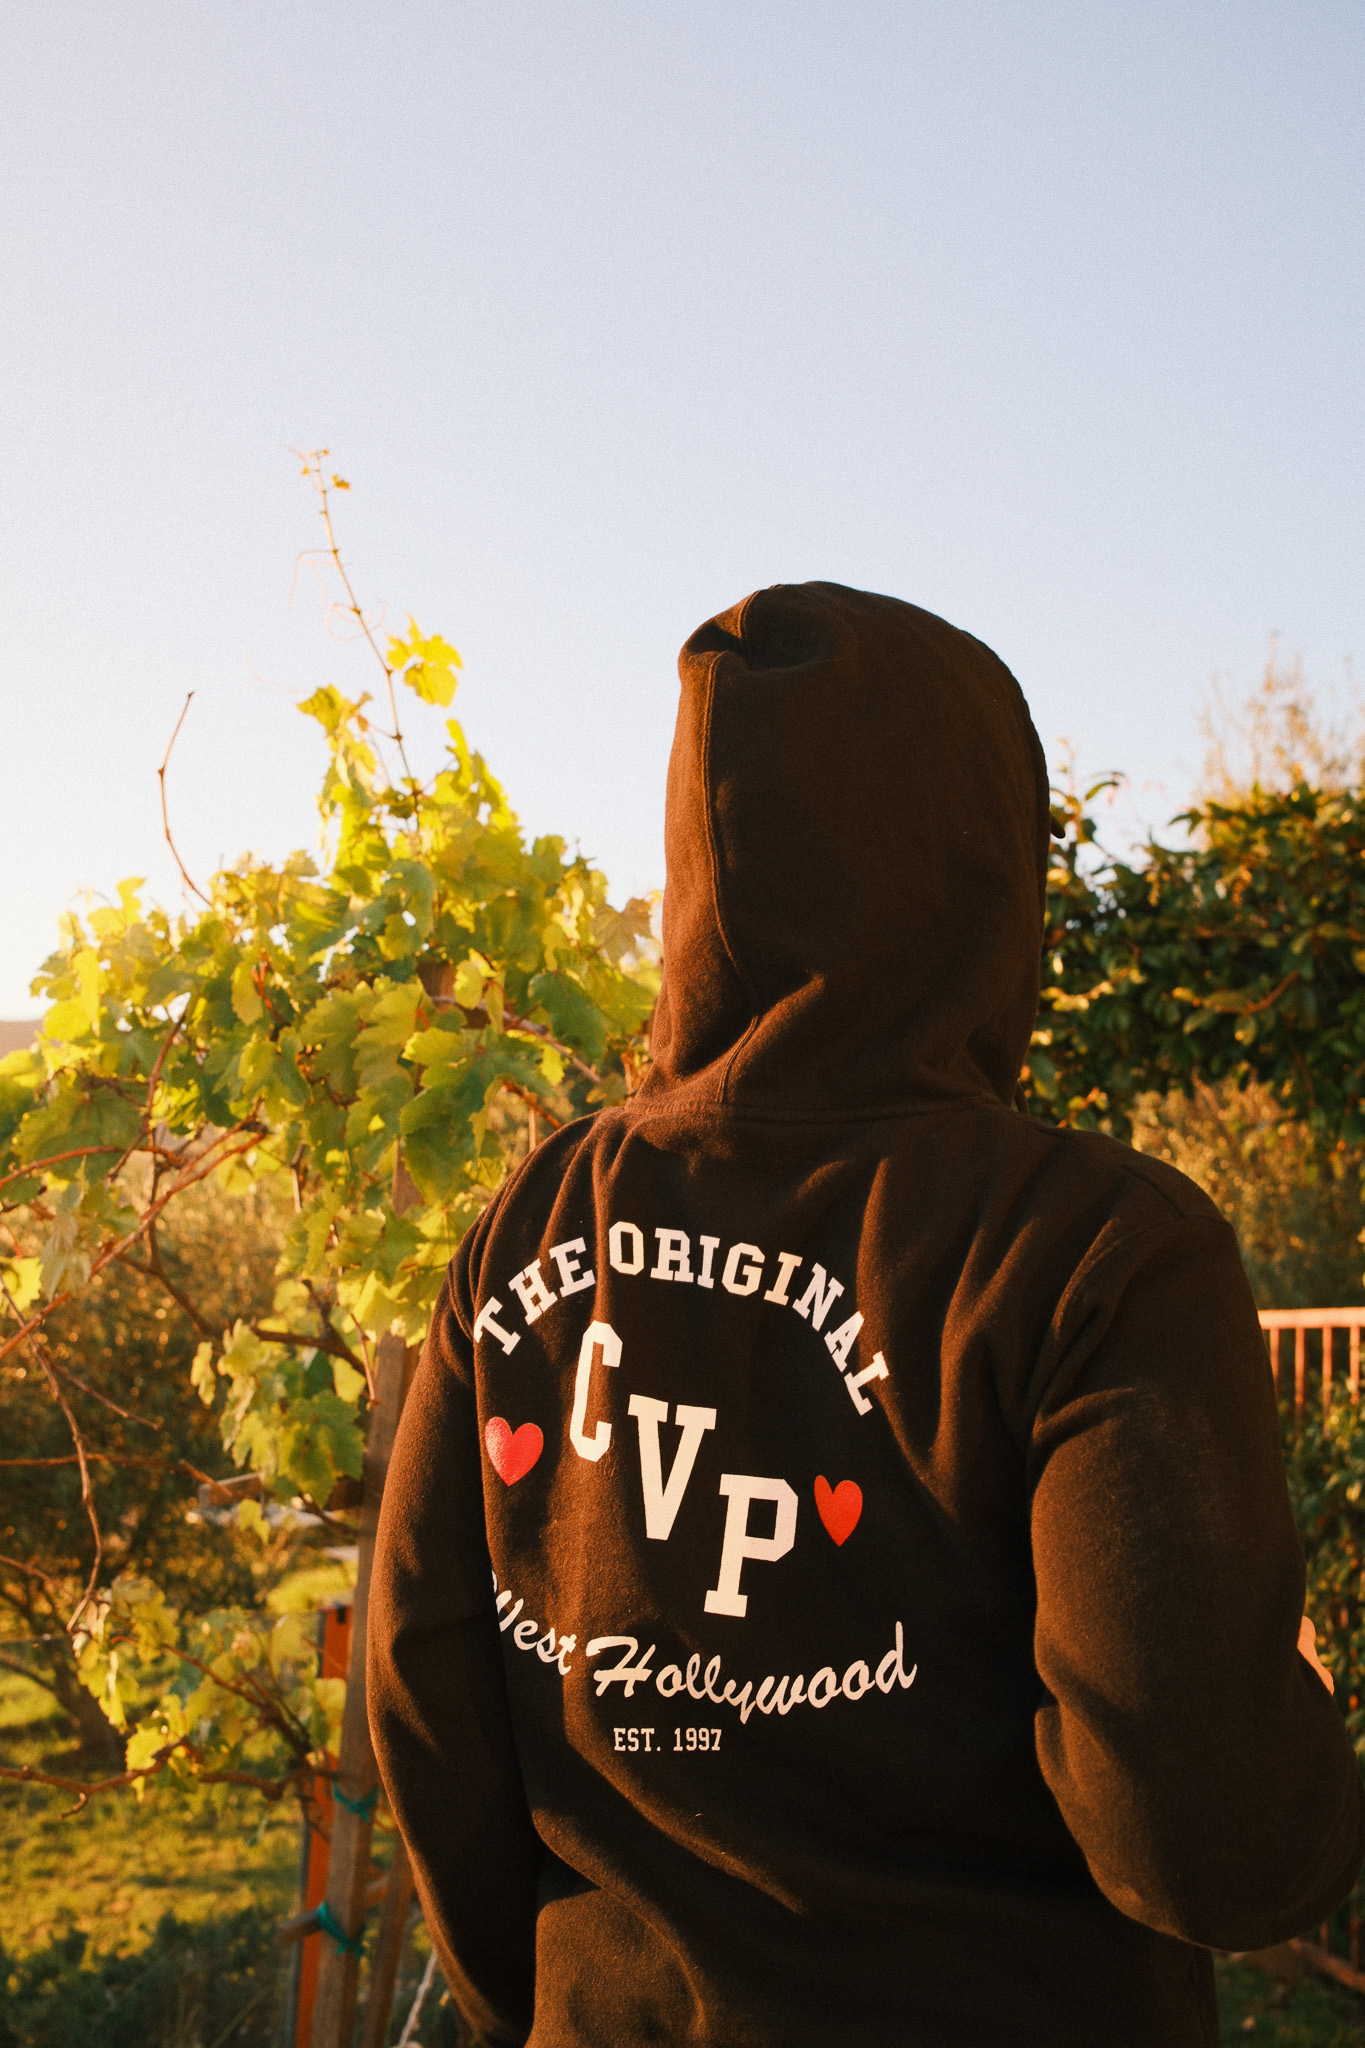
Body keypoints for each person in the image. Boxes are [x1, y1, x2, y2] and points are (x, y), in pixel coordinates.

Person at [369, 582, 1364, 2047]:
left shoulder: (533, 1220)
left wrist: (552, 2010)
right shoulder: (1094, 1249)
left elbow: (423, 1687)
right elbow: (1198, 1834)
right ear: (981, 861)